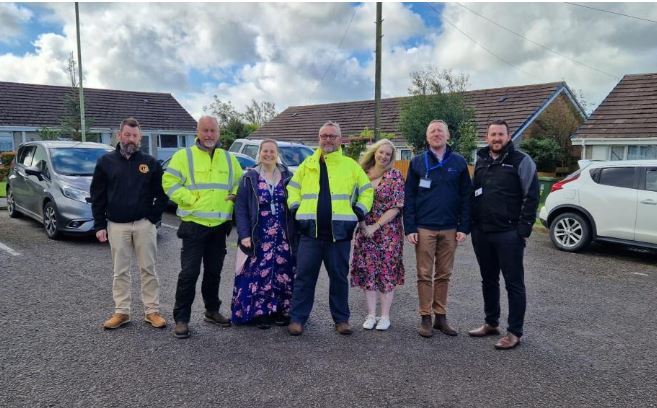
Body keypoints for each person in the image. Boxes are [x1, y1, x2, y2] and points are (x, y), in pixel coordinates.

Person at [286, 121, 373, 336]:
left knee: (339, 278)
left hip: (339, 235)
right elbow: (292, 189)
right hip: (310, 233)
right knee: (304, 278)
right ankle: (297, 319)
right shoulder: (307, 164)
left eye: (332, 136)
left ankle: (341, 320)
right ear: (319, 139)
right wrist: (296, 209)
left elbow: (367, 191)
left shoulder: (350, 166)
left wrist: (359, 212)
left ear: (340, 139)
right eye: (324, 136)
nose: (328, 139)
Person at [162, 115, 243, 339]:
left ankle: (212, 310)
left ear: (219, 133)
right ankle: (181, 318)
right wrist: (190, 199)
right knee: (189, 273)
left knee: (214, 272)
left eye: (213, 131)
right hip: (194, 224)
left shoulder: (228, 158)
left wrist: (235, 192)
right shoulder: (183, 156)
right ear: (198, 132)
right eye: (205, 130)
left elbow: (240, 180)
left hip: (219, 226)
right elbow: (168, 182)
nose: (209, 135)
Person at [91, 117, 168, 330]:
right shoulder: (105, 162)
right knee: (120, 271)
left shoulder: (150, 163)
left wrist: (153, 218)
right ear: (119, 135)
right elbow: (98, 195)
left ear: (140, 138)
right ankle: (121, 312)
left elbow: (162, 194)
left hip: (144, 224)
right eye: (127, 135)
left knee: (148, 269)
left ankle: (152, 311)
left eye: (135, 136)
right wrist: (99, 225)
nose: (131, 139)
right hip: (116, 225)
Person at [468, 119, 539, 350]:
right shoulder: (481, 161)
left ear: (509, 137)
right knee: (488, 280)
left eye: (501, 134)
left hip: (509, 234)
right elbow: (474, 193)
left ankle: (514, 332)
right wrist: (472, 224)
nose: (496, 138)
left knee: (514, 283)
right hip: (483, 232)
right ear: (486, 137)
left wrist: (523, 230)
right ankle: (491, 323)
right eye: (492, 134)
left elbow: (532, 195)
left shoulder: (521, 161)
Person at [404, 120, 472, 338]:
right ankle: (425, 317)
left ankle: (440, 317)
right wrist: (410, 227)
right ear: (427, 137)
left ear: (447, 136)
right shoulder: (416, 163)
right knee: (424, 274)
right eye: (432, 131)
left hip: (451, 229)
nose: (436, 134)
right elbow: (409, 197)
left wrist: (464, 227)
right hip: (424, 228)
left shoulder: (459, 163)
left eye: (440, 131)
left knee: (444, 274)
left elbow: (466, 197)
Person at [231, 139, 296, 329]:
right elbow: (241, 208)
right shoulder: (249, 177)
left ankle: (279, 311)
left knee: (282, 272)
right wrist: (244, 235)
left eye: (272, 151)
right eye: (265, 151)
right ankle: (259, 313)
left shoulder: (287, 176)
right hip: (259, 234)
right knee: (257, 273)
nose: (268, 154)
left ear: (277, 154)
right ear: (259, 153)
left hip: (283, 235)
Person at [350, 139, 405, 331]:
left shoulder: (395, 175)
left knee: (386, 273)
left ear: (391, 158)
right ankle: (371, 314)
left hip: (388, 232)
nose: (383, 156)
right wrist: (364, 224)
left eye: (388, 154)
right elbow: (354, 200)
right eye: (381, 152)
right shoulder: (362, 173)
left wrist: (376, 226)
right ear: (374, 152)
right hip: (364, 230)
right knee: (368, 271)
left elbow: (397, 206)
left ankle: (385, 316)